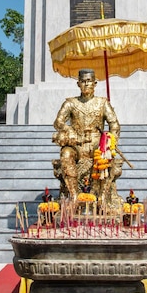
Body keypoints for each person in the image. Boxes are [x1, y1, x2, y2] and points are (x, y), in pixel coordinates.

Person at [52, 69, 122, 206]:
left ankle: (102, 197)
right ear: (78, 84)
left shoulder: (102, 103)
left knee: (105, 155)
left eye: (89, 81)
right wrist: (68, 129)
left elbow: (114, 125)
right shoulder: (70, 103)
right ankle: (73, 195)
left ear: (95, 83)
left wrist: (110, 140)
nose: (86, 84)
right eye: (83, 81)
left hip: (97, 144)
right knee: (66, 154)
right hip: (77, 144)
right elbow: (58, 122)